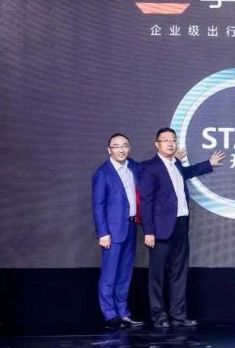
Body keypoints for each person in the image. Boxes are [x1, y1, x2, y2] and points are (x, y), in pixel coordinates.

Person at [140, 127, 225, 328]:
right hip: (160, 230)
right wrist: (149, 231)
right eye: (165, 140)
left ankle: (178, 315)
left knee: (179, 272)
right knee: (157, 275)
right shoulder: (150, 167)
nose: (170, 144)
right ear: (157, 144)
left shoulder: (176, 163)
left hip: (180, 225)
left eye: (173, 140)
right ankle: (159, 315)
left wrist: (208, 164)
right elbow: (146, 202)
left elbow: (187, 173)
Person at [91, 133, 144, 329]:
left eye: (125, 145)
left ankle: (123, 313)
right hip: (112, 232)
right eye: (116, 146)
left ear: (129, 148)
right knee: (109, 274)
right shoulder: (103, 173)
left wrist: (176, 160)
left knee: (124, 274)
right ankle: (110, 314)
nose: (121, 149)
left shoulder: (134, 167)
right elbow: (98, 206)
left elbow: (153, 169)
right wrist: (102, 233)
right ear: (109, 150)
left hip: (131, 227)